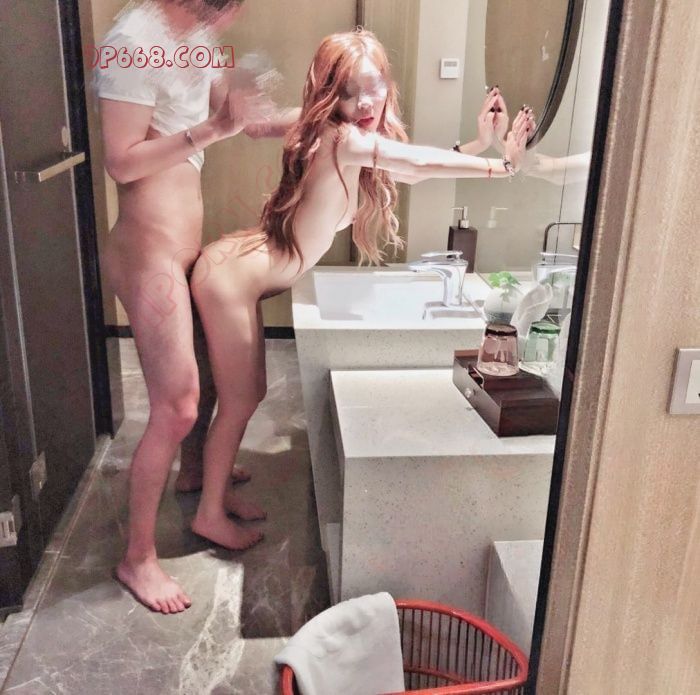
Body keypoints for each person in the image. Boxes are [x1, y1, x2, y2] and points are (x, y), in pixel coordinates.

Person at [186, 29, 534, 552]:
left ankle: (202, 477)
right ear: (331, 93)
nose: (365, 103)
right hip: (229, 279)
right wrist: (501, 165)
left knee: (228, 392)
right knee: (242, 397)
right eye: (350, 92)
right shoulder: (342, 139)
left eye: (374, 87)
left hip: (235, 269)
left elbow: (407, 169)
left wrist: (479, 145)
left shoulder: (326, 130)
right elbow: (415, 164)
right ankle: (209, 514)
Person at [95, 0, 297, 614]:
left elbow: (238, 119)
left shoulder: (200, 35)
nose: (232, 17)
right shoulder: (133, 40)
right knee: (178, 404)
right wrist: (211, 131)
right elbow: (120, 161)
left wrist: (317, 119)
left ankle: (193, 476)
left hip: (182, 244)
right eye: (228, 5)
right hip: (146, 253)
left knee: (208, 379)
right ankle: (138, 558)